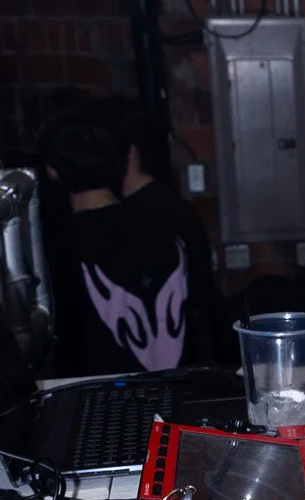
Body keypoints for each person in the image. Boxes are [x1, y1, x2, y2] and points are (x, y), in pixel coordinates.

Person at [39, 111, 193, 377]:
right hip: (180, 393)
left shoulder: (57, 244)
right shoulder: (166, 228)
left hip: (95, 397)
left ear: (52, 171)